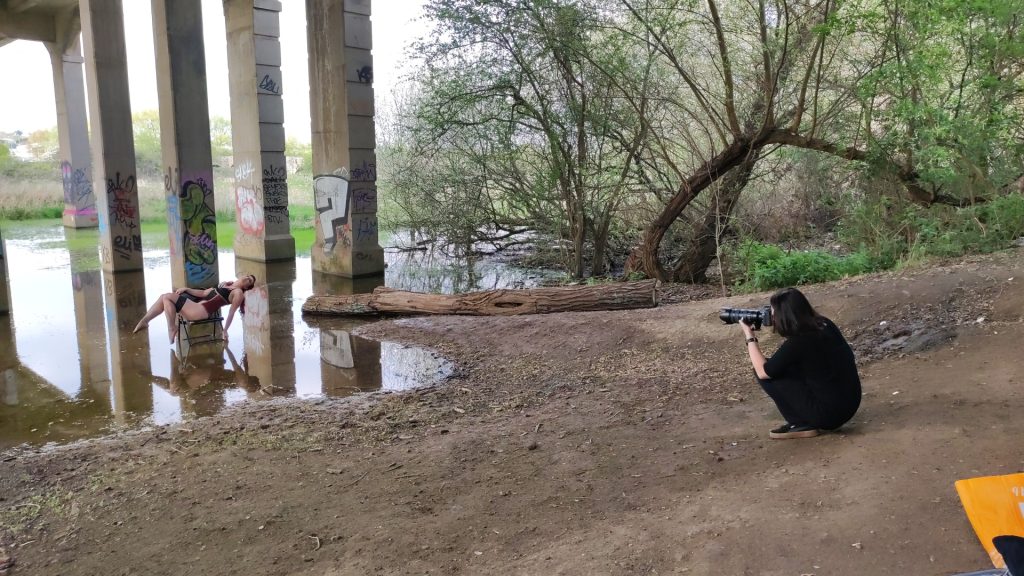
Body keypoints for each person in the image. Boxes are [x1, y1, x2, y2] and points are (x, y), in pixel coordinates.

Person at [739, 287, 861, 439]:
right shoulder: (824, 324)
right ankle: (804, 419)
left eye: (773, 313)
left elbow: (763, 372)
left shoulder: (799, 343)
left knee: (765, 372)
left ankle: (799, 424)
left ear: (784, 315)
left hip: (829, 415)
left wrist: (749, 336)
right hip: (850, 403)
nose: (771, 317)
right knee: (787, 367)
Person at [133, 274, 256, 344]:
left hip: (201, 311)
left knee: (167, 298)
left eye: (250, 281)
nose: (247, 278)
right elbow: (202, 294)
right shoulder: (226, 285)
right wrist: (187, 289)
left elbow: (231, 313)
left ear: (247, 286)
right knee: (164, 297)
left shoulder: (238, 293)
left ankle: (171, 327)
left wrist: (225, 330)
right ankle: (145, 321)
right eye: (248, 276)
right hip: (196, 307)